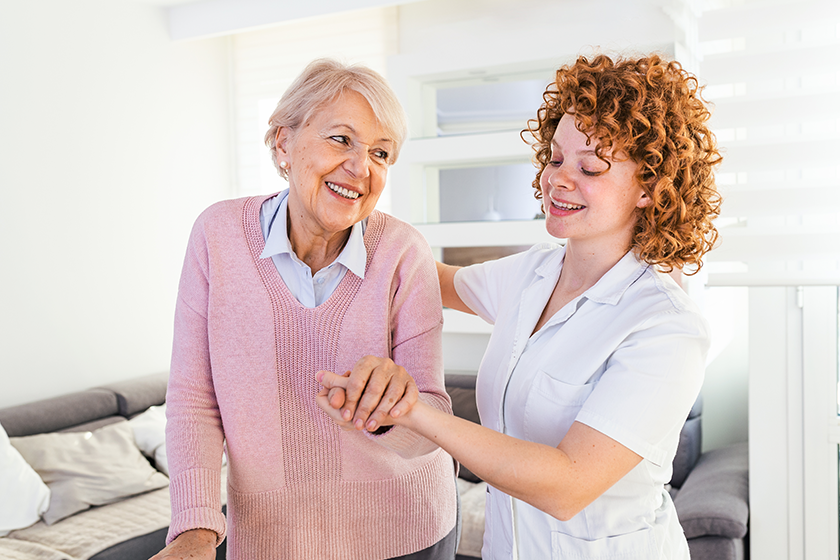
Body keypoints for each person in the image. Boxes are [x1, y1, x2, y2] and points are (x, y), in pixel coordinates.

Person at [318, 53, 722, 559]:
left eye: (589, 167)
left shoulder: (665, 326)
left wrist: (412, 410)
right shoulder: (533, 273)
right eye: (555, 158)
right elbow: (428, 278)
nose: (559, 179)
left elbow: (568, 485)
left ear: (649, 188)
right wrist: (349, 203)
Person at [153, 59, 458, 560]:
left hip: (408, 530)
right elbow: (193, 400)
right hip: (274, 539)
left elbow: (434, 421)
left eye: (380, 153)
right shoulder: (217, 236)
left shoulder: (404, 251)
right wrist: (195, 529)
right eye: (341, 139)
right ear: (283, 144)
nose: (361, 168)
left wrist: (392, 410)